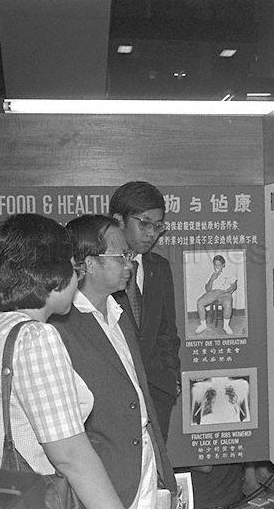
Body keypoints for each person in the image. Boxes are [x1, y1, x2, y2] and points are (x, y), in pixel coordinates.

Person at [0, 213, 125, 509]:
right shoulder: (34, 338)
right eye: (74, 268)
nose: (77, 279)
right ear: (50, 274)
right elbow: (70, 454)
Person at [51, 214, 178, 508]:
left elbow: (140, 399)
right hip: (103, 486)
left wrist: (164, 475)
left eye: (129, 255)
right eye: (121, 255)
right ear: (89, 263)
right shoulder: (59, 328)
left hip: (146, 470)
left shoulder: (119, 314)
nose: (130, 263)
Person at [110, 181, 180, 440]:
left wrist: (171, 378)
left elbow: (167, 331)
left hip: (157, 392)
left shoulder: (158, 267)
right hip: (113, 397)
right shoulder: (99, 270)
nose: (152, 233)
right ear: (118, 220)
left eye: (158, 225)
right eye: (145, 223)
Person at [194, 255, 237, 336]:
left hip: (224, 293)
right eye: (215, 265)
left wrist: (229, 290)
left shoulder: (228, 273)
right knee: (200, 302)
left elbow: (234, 285)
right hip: (213, 293)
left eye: (219, 265)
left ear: (223, 265)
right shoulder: (211, 274)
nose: (217, 267)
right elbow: (207, 289)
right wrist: (211, 279)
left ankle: (226, 326)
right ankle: (203, 325)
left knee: (228, 303)